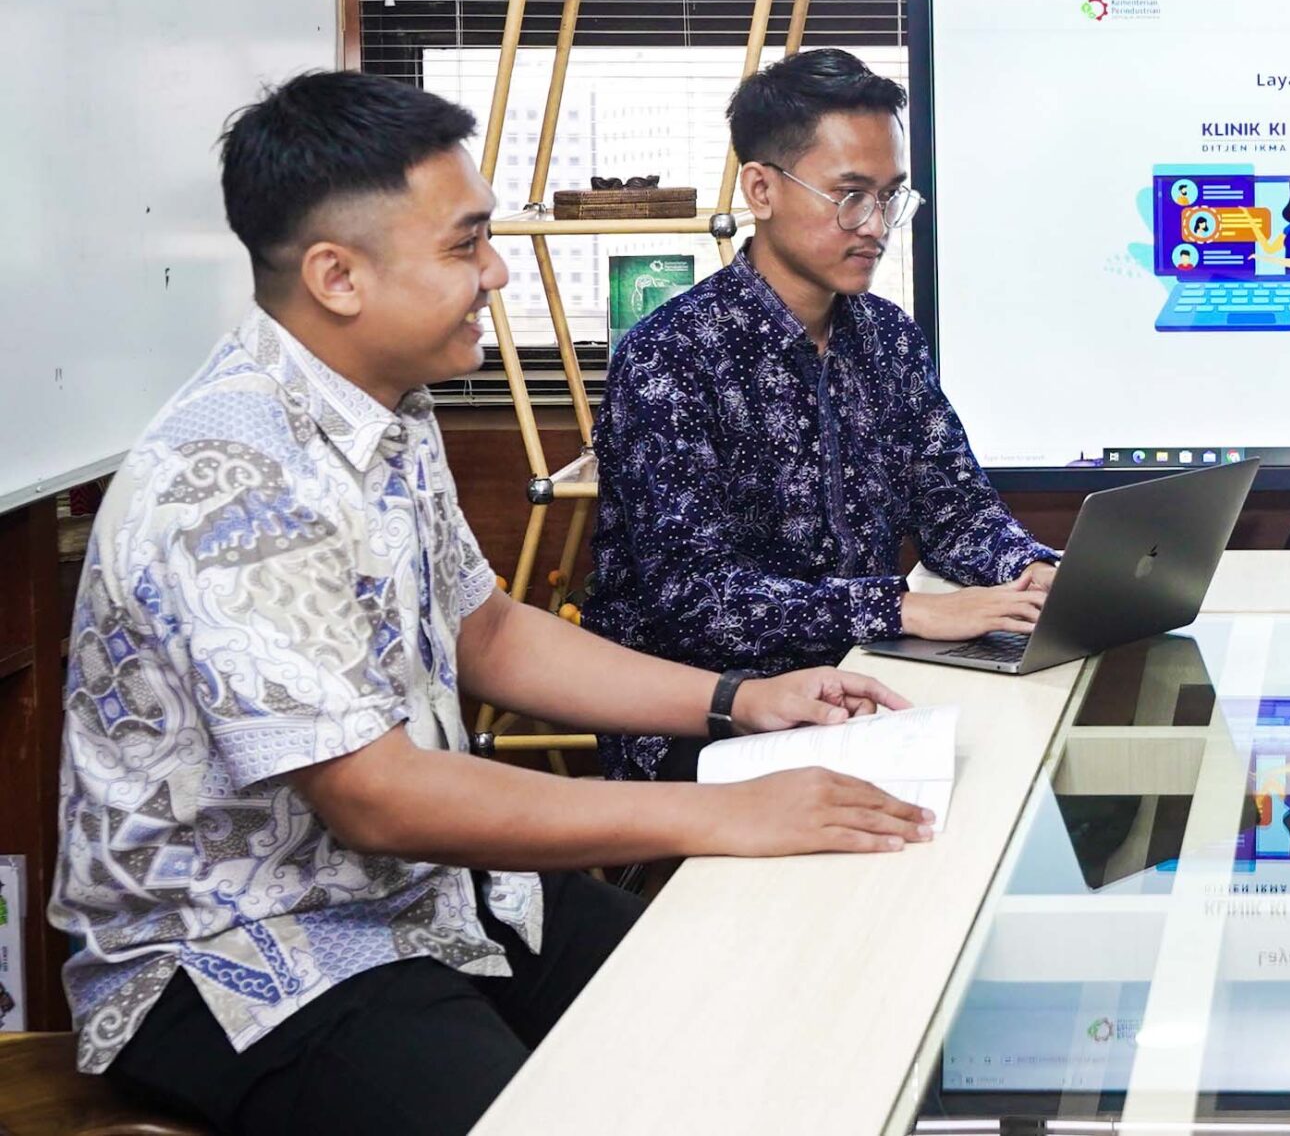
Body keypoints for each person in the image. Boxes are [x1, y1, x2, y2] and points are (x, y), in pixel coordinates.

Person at [51, 72, 933, 1136]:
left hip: (421, 891)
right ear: (337, 276)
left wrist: (738, 700)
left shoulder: (388, 407)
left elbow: (489, 630)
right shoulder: (231, 480)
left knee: (736, 1010)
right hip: (247, 955)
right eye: (467, 244)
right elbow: (377, 797)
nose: (499, 271)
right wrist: (724, 812)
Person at [582, 49, 1054, 781]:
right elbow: (699, 599)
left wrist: (1033, 574)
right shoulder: (669, 356)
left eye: (891, 198)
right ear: (761, 189)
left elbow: (956, 509)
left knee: (1021, 761)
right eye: (850, 196)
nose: (876, 226)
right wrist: (903, 609)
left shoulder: (887, 336)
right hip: (708, 720)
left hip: (865, 682)